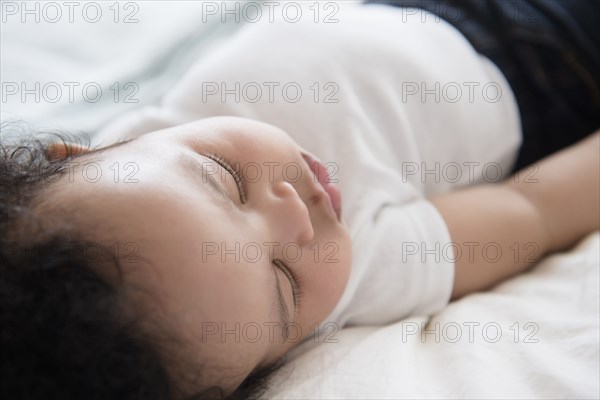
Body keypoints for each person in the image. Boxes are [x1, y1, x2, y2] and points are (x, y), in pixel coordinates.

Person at [1, 1, 598, 399]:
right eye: (284, 281)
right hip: (547, 63)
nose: (294, 215)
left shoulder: (113, 183)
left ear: (79, 154)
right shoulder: (370, 268)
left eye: (224, 179)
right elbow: (533, 214)